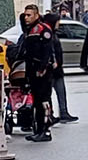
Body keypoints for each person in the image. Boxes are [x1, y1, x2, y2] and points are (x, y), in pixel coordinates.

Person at [16, 9, 58, 141]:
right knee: (37, 102)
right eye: (25, 15)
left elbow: (47, 51)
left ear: (36, 15)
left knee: (44, 100)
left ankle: (46, 130)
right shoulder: (29, 30)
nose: (26, 18)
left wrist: (42, 68)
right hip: (32, 70)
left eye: (29, 15)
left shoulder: (42, 29)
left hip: (42, 71)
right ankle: (39, 130)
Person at [42, 12, 78, 123]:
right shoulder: (47, 34)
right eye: (57, 22)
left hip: (58, 70)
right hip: (51, 69)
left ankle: (63, 112)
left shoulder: (54, 33)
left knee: (61, 92)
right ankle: (50, 114)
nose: (59, 24)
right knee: (48, 94)